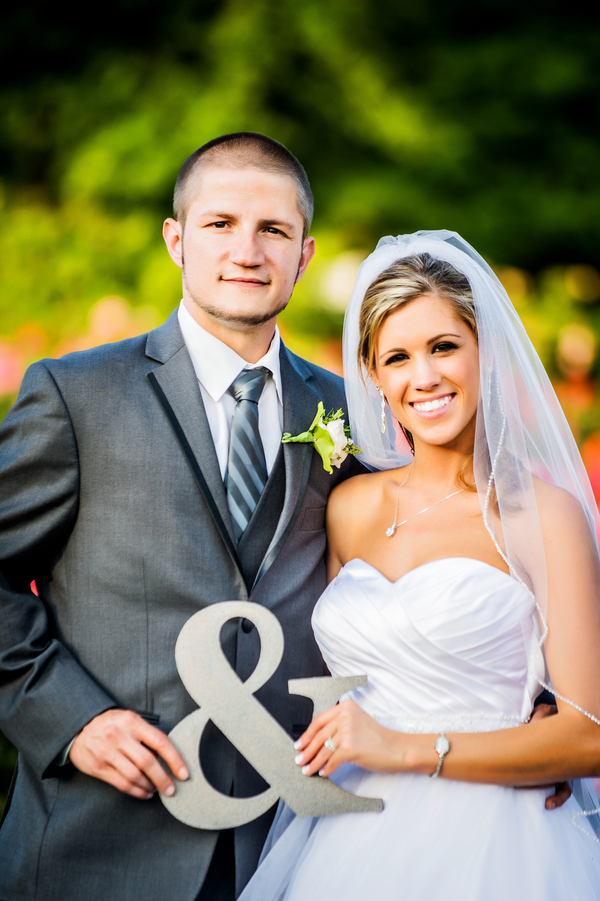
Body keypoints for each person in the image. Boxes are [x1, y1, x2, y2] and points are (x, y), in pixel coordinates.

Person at [0, 133, 365, 901]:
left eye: (273, 230)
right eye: (220, 224)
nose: (247, 250)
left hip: (290, 845)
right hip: (100, 844)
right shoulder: (74, 395)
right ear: (176, 239)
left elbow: (420, 556)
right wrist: (72, 719)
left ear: (304, 254)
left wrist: (522, 687)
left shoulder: (348, 411)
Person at [239, 231, 600, 901]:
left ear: (484, 353)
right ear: (373, 377)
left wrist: (405, 745)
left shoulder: (541, 515)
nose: (423, 377)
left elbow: (590, 735)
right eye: (396, 357)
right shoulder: (347, 506)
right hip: (351, 843)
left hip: (498, 841)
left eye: (442, 347)